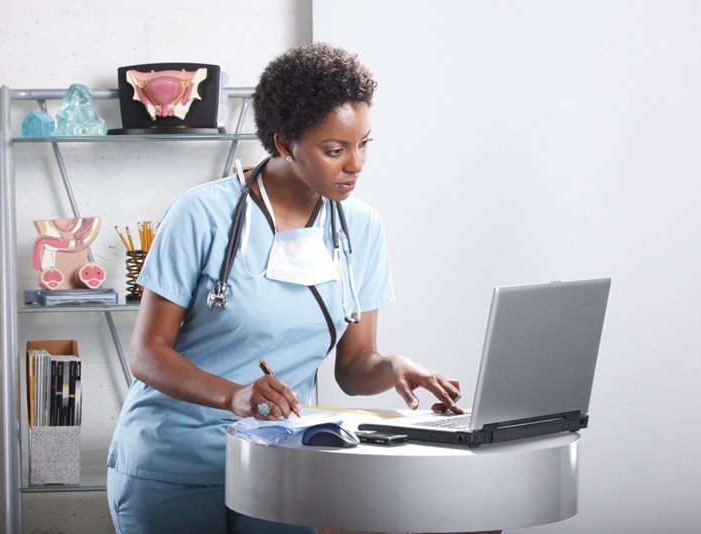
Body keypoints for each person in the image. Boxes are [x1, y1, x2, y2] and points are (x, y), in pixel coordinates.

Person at [106, 42, 463, 534]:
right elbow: (147, 355)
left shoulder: (361, 228)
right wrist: (235, 396)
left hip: (278, 465)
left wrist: (393, 366)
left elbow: (354, 369)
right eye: (335, 150)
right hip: (175, 461)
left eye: (364, 144)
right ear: (282, 143)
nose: (355, 164)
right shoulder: (201, 215)